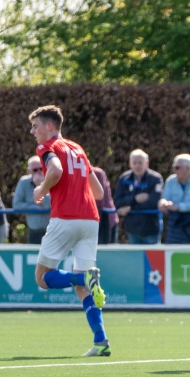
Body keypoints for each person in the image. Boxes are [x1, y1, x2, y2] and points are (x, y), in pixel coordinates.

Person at [28, 105, 110, 357]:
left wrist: (41, 190)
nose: (32, 131)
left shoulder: (47, 147)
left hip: (66, 218)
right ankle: (101, 341)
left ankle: (83, 278)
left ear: (49, 126)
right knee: (82, 287)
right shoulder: (77, 148)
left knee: (42, 278)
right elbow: (98, 193)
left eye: (35, 126)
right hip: (90, 219)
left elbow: (55, 170)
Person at [114, 149, 164, 244]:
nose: (137, 166)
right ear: (130, 164)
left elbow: (153, 203)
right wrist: (135, 199)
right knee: (135, 258)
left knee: (152, 259)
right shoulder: (123, 178)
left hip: (151, 228)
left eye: (140, 163)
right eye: (135, 163)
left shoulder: (156, 179)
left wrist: (130, 207)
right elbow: (117, 201)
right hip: (132, 229)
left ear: (147, 163)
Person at [159, 154, 190, 244]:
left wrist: (178, 207)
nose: (174, 170)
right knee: (174, 250)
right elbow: (165, 198)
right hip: (176, 222)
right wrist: (163, 203)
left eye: (177, 168)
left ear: (188, 168)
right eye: (173, 167)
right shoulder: (170, 180)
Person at [13, 156, 51, 244]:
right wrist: (34, 207)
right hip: (34, 232)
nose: (39, 172)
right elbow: (16, 204)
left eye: (41, 169)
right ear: (29, 171)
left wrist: (40, 186)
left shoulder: (51, 180)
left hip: (52, 231)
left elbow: (48, 205)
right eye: (35, 170)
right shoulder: (23, 182)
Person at [93, 167, 118, 244]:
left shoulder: (96, 173)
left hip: (106, 221)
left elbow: (99, 199)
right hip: (92, 221)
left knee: (107, 253)